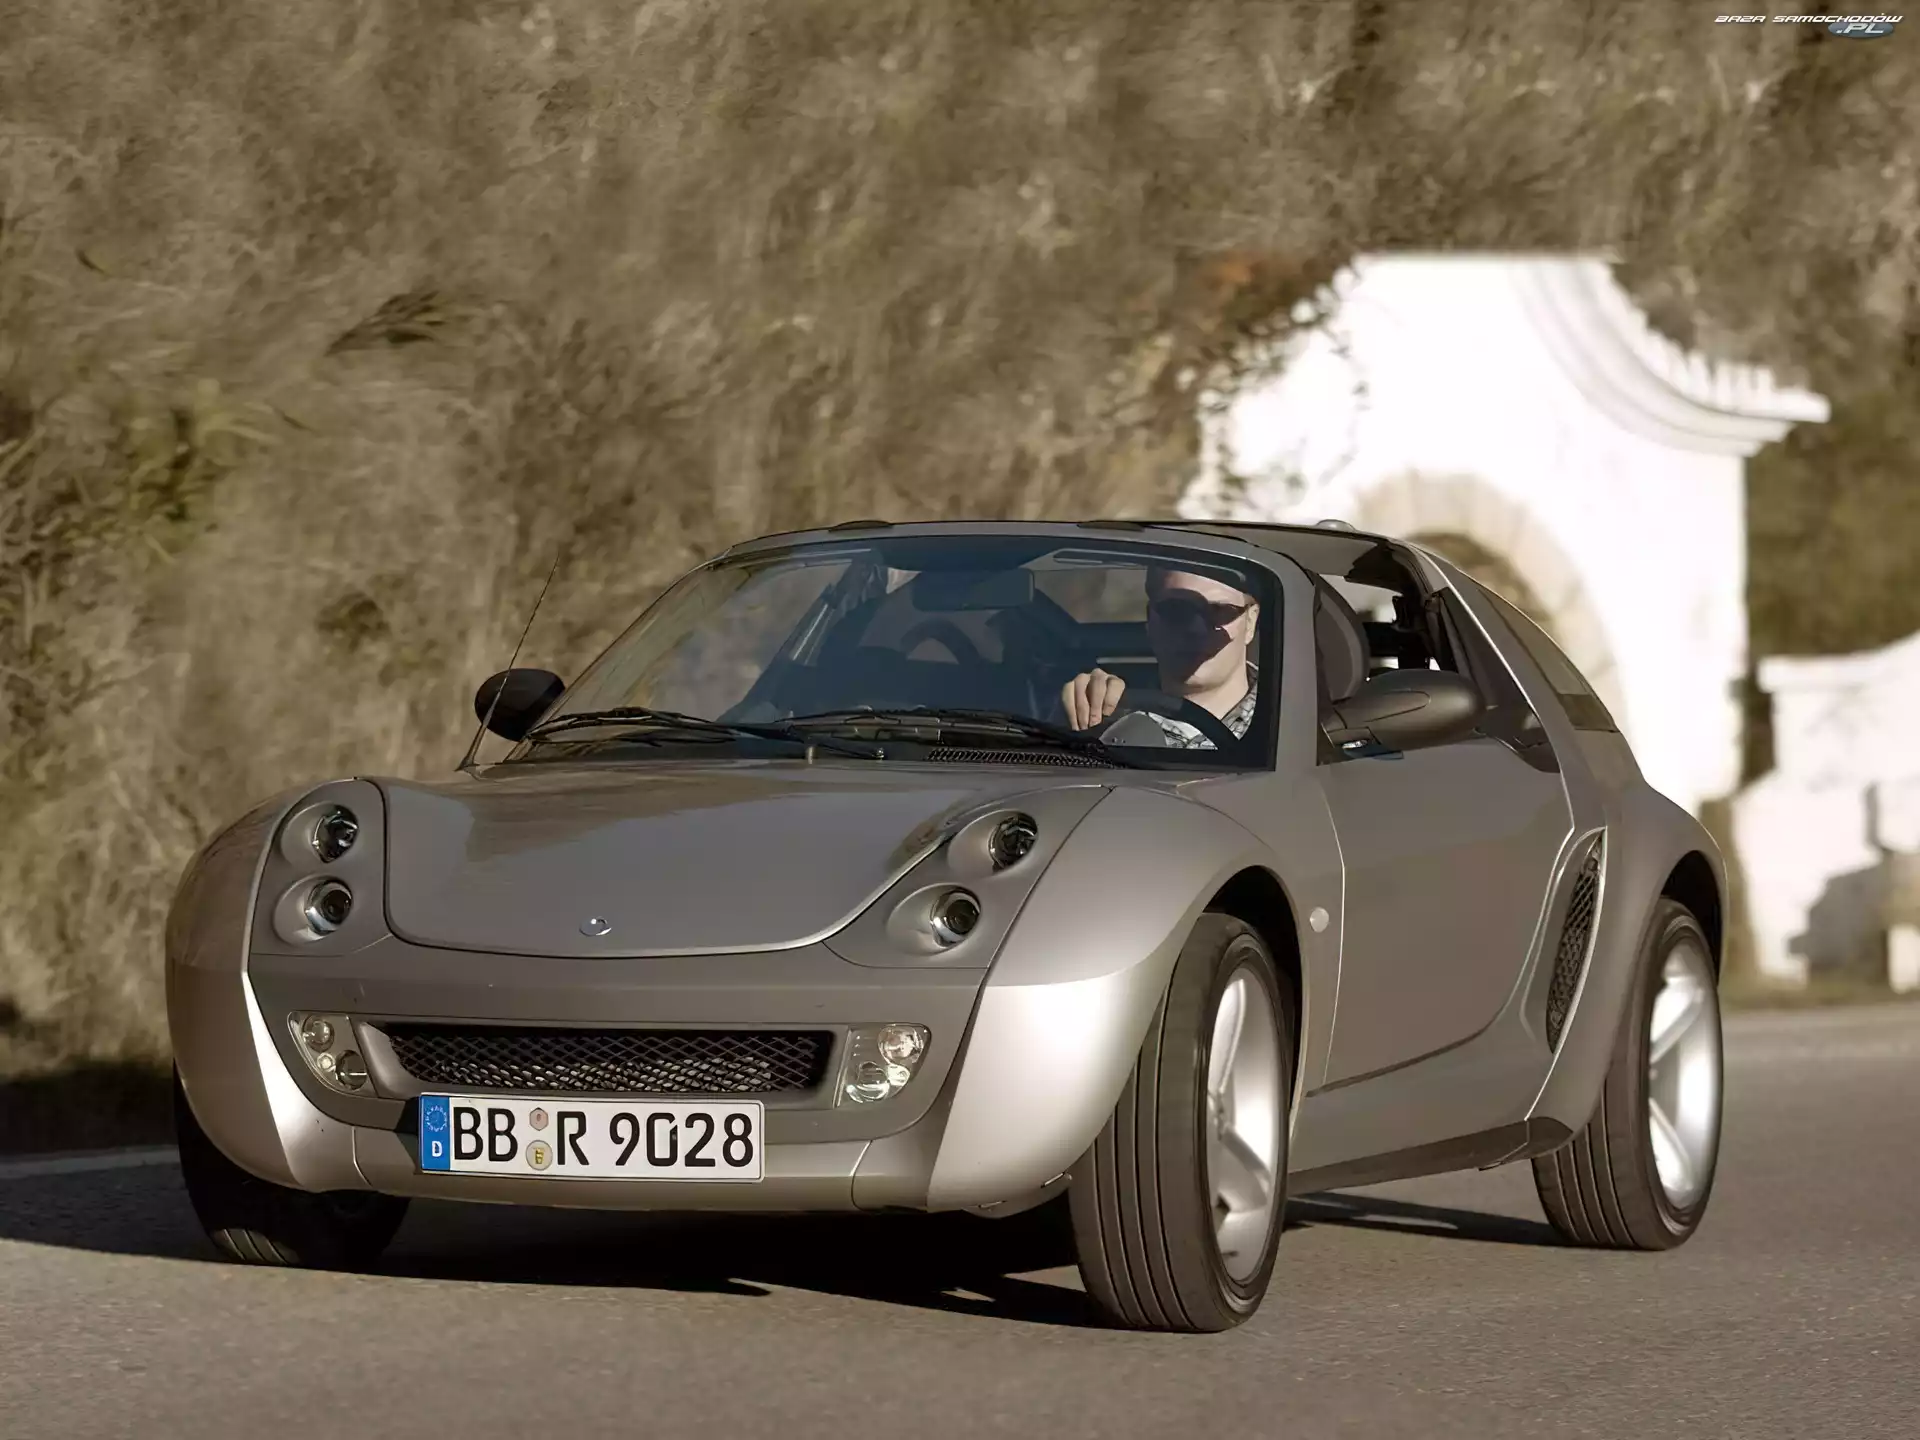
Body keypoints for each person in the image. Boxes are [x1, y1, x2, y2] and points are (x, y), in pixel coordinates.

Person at [1060, 565, 1259, 749]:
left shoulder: (1278, 724)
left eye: (1220, 611)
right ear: (1150, 619)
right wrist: (1084, 713)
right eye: (1175, 609)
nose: (1195, 629)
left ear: (1251, 621)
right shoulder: (1111, 717)